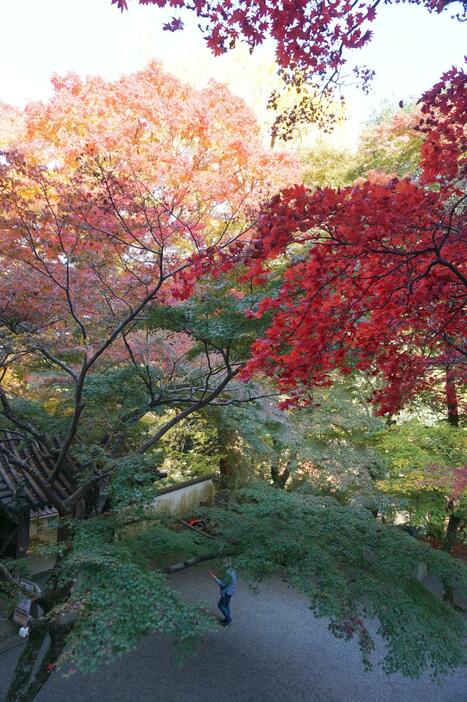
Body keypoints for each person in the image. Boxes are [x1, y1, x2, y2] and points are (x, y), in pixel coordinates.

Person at [210, 559, 237, 626]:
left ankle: (228, 619)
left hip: (227, 592)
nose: (222, 565)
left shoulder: (228, 572)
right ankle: (227, 618)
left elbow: (223, 584)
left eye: (223, 563)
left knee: (220, 605)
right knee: (226, 604)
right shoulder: (232, 570)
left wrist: (214, 578)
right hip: (231, 590)